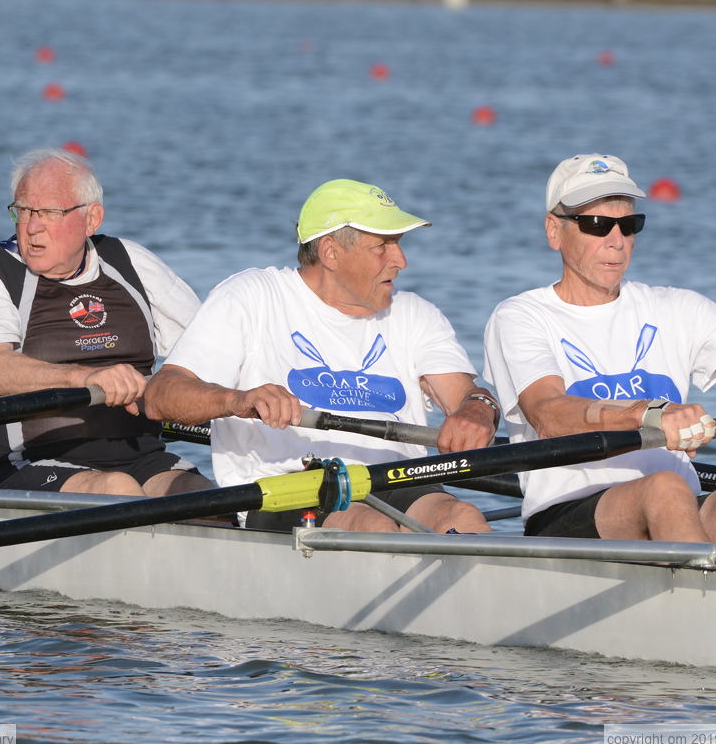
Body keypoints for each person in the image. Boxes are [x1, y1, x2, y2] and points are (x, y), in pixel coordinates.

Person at [483, 153, 716, 556]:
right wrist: (648, 413)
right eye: (596, 225)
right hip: (568, 517)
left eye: (628, 225)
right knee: (664, 488)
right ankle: (706, 605)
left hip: (675, 512)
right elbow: (549, 413)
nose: (615, 240)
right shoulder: (521, 316)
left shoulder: (678, 308)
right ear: (554, 231)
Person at [144, 178, 495, 533]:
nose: (400, 261)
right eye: (382, 247)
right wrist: (239, 399)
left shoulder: (414, 313)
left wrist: (478, 409)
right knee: (370, 525)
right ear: (330, 252)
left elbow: (464, 395)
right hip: (290, 489)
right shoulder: (252, 297)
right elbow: (161, 396)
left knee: (463, 517)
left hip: (398, 480)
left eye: (399, 245)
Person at [0, 148, 209, 497]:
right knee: (118, 489)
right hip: (31, 464)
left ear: (91, 219)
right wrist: (85, 378)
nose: (32, 226)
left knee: (206, 500)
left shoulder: (131, 263)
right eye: (23, 210)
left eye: (50, 213)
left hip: (143, 457)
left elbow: (207, 351)